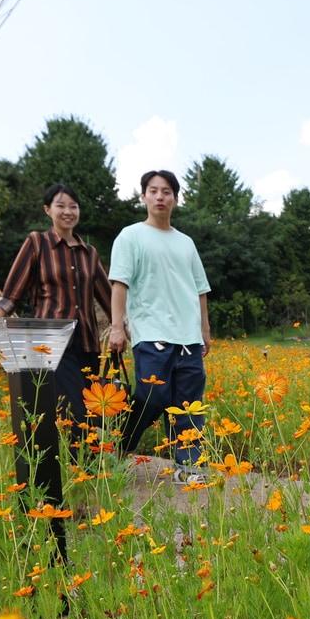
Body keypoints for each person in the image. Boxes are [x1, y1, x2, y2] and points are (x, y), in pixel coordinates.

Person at [0, 183, 118, 428]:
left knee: (92, 410)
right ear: (47, 210)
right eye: (60, 206)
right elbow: (12, 292)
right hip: (50, 344)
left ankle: (87, 461)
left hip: (87, 344)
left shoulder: (89, 253)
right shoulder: (37, 243)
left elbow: (109, 298)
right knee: (75, 410)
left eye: (73, 206)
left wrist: (121, 327)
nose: (68, 211)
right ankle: (84, 465)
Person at [108, 169, 212, 484]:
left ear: (175, 198)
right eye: (153, 191)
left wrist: (204, 330)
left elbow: (200, 289)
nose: (159, 196)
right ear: (143, 197)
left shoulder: (186, 242)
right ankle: (119, 448)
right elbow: (119, 284)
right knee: (152, 396)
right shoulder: (130, 236)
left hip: (188, 336)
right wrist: (116, 326)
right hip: (150, 332)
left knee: (189, 405)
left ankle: (190, 468)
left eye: (166, 191)